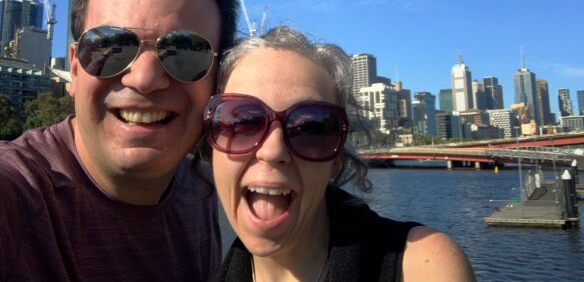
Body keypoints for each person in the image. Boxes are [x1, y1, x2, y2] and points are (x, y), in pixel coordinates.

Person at [0, 0, 238, 281]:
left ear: (217, 78)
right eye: (111, 45)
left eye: (185, 52)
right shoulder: (15, 196)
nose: (144, 79)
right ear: (76, 69)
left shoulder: (200, 189)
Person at [201, 26, 476, 281]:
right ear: (211, 144)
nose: (273, 151)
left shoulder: (421, 264)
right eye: (242, 122)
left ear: (337, 159)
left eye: (311, 128)